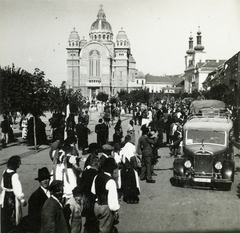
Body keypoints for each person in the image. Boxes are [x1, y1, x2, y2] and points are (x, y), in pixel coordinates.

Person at [17, 167, 52, 233]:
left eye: (47, 178)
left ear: (49, 179)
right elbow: (33, 217)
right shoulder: (35, 197)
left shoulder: (52, 192)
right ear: (39, 181)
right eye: (42, 179)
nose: (45, 181)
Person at [91, 157, 120, 233]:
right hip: (106, 207)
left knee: (98, 227)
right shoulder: (110, 181)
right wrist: (116, 211)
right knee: (105, 229)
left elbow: (93, 191)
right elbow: (112, 200)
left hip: (97, 205)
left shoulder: (97, 177)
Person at [0, 155, 27, 233]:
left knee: (6, 216)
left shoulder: (4, 172)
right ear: (16, 164)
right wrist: (22, 200)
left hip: (5, 197)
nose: (20, 164)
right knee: (14, 217)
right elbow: (17, 189)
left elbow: (2, 185)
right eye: (19, 162)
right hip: (12, 198)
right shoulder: (15, 175)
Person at [81, 154, 101, 233]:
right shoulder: (97, 174)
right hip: (93, 200)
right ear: (98, 164)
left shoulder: (85, 172)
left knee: (88, 219)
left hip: (86, 200)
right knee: (94, 221)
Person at [120, 135, 140, 204]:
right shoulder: (132, 147)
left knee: (127, 184)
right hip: (131, 168)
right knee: (132, 184)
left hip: (124, 168)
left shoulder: (123, 148)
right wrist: (136, 167)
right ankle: (133, 198)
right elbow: (133, 158)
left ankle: (127, 198)